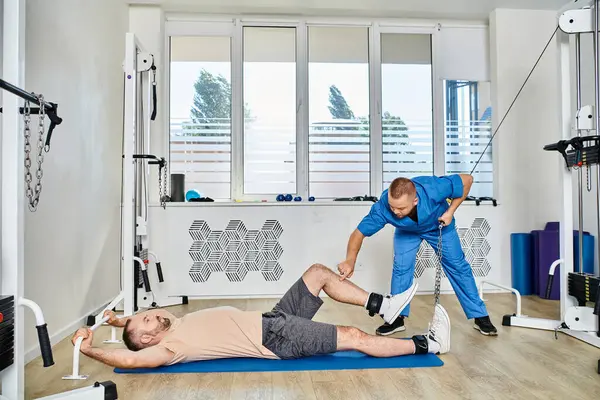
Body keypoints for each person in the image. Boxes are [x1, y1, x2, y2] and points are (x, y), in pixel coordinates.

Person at [71, 263, 450, 369]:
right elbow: (128, 358)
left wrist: (121, 321)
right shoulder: (168, 348)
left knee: (317, 273)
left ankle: (383, 306)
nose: (152, 316)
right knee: (353, 336)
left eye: (148, 315)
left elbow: (138, 327)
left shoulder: (166, 326)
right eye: (147, 323)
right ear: (150, 340)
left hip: (274, 318)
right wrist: (89, 351)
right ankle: (427, 344)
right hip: (275, 340)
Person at [338, 174, 497, 337]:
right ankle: (396, 318)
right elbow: (358, 233)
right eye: (393, 207)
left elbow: (467, 180)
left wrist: (450, 211)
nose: (395, 212)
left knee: (458, 267)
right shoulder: (382, 207)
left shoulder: (433, 189)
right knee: (401, 269)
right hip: (408, 232)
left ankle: (480, 316)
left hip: (439, 226)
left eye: (401, 208)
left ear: (415, 201)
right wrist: (350, 260)